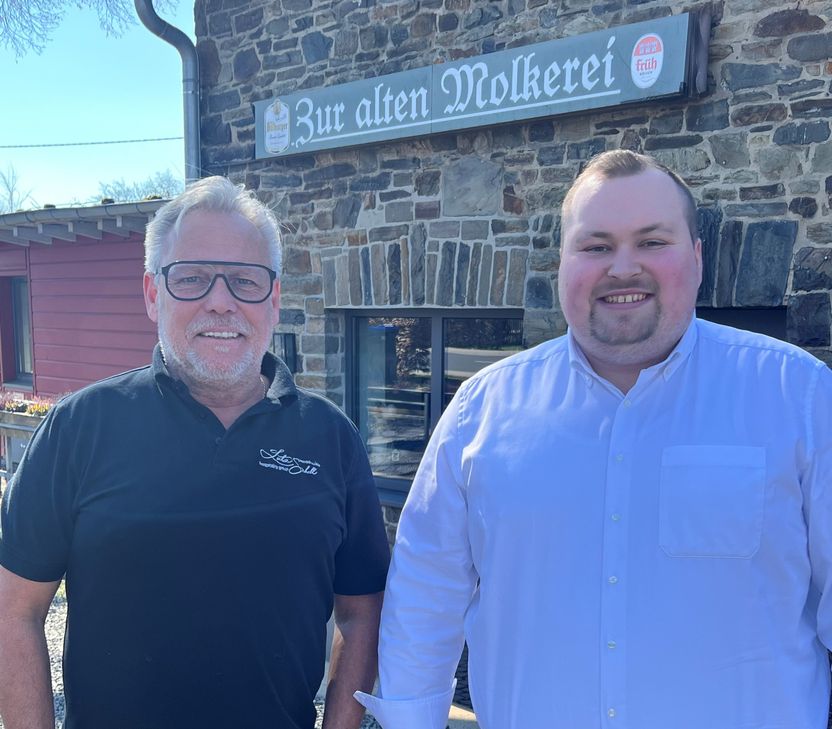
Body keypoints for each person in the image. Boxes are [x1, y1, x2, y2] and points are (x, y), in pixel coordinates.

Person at [356, 150, 832, 729]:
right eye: (596, 246)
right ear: (563, 261)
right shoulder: (481, 412)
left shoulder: (799, 398)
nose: (623, 268)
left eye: (653, 241)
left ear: (698, 256)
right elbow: (424, 599)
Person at [0, 176, 390, 729]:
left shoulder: (331, 439)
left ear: (274, 299)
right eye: (192, 278)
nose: (221, 302)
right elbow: (13, 610)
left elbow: (362, 611)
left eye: (245, 281)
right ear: (152, 293)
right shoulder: (80, 427)